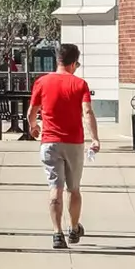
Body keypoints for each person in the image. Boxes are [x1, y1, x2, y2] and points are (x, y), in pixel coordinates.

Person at [27, 42, 101, 248]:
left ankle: (56, 232)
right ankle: (74, 228)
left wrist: (33, 127)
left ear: (58, 59)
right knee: (74, 189)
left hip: (49, 142)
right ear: (74, 63)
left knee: (55, 188)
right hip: (73, 142)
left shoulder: (42, 82)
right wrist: (95, 138)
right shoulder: (80, 84)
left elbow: (32, 111)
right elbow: (87, 112)